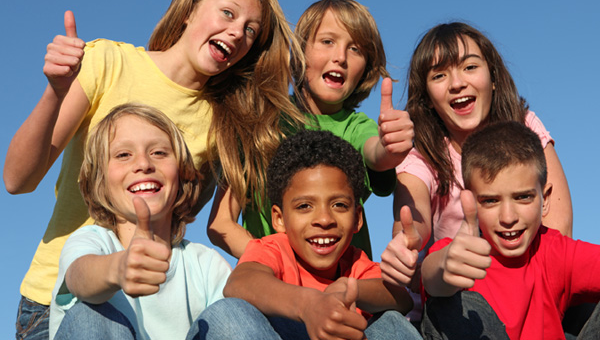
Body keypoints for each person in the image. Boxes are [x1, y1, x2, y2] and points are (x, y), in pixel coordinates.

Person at [5, 0, 303, 339]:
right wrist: (54, 93)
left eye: (250, 30)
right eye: (228, 14)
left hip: (155, 309)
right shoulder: (108, 63)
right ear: (189, 10)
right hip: (59, 302)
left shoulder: (224, 124)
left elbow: (194, 222)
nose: (236, 32)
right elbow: (18, 180)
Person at [380, 22, 572, 323]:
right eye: (439, 75)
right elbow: (412, 224)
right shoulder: (424, 158)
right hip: (460, 303)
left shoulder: (525, 127)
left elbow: (559, 229)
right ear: (428, 97)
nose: (457, 83)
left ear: (493, 78)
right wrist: (406, 245)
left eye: (470, 67)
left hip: (533, 292)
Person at [208, 0, 413, 259]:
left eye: (356, 49)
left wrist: (389, 148)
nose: (340, 57)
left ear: (365, 69)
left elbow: (375, 152)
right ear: (300, 49)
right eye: (327, 42)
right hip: (272, 291)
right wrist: (274, 266)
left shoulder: (357, 127)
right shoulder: (258, 122)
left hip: (344, 291)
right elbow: (220, 223)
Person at [196, 130, 420, 340]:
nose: (324, 219)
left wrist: (350, 289)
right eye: (304, 206)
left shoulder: (355, 265)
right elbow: (240, 282)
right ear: (279, 219)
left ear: (357, 218)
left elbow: (400, 298)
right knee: (226, 314)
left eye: (339, 205)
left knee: (390, 321)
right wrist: (308, 305)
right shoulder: (274, 248)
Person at [49, 103, 231, 340]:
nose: (144, 164)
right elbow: (78, 278)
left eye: (159, 153)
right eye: (123, 155)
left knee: (232, 311)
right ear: (99, 181)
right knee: (89, 313)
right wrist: (118, 268)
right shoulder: (92, 243)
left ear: (183, 172)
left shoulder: (205, 264)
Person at [420, 121, 600, 340]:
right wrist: (443, 266)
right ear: (470, 201)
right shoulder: (459, 255)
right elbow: (432, 276)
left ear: (545, 199)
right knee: (455, 307)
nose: (508, 218)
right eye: (490, 201)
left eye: (523, 197)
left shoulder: (551, 251)